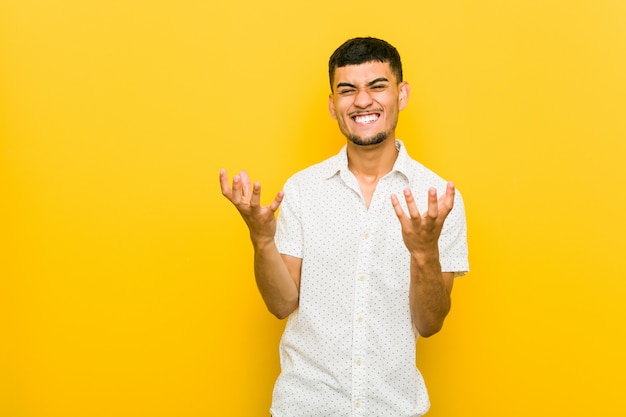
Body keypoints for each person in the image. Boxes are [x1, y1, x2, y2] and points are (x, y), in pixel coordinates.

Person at [219, 37, 469, 417]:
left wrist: (423, 252)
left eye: (377, 86)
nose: (363, 101)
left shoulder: (438, 198)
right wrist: (262, 239)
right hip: (303, 407)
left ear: (401, 95)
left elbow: (430, 323)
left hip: (394, 409)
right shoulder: (302, 190)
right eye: (347, 90)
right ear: (333, 106)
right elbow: (281, 304)